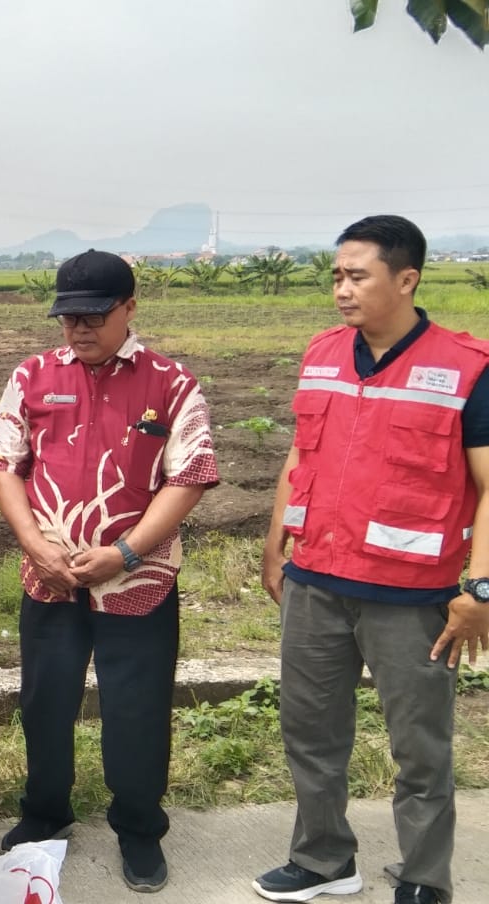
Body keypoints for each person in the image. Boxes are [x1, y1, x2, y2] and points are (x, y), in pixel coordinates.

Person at [252, 215, 489, 904]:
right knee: (309, 731)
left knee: (420, 747)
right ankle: (323, 859)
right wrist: (276, 546)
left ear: (407, 279)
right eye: (336, 276)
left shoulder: (466, 369)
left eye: (358, 276)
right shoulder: (323, 353)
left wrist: (479, 589)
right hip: (316, 580)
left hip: (412, 598)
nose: (342, 291)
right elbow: (300, 456)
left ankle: (423, 875)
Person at [0, 249, 217, 894]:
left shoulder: (170, 384)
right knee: (45, 702)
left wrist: (127, 553)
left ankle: (139, 829)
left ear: (130, 308)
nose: (79, 330)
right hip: (49, 578)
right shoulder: (31, 377)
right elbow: (4, 462)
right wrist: (35, 546)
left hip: (137, 582)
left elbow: (188, 475)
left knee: (136, 708)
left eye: (94, 316)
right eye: (68, 318)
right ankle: (45, 815)